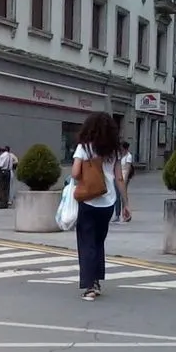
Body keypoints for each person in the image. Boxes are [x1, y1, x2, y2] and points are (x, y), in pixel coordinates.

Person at [70, 112, 131, 301]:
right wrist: (126, 204)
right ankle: (96, 280)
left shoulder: (84, 147)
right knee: (98, 242)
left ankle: (89, 286)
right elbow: (119, 178)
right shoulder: (113, 151)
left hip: (88, 200)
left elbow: (74, 173)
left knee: (86, 242)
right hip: (108, 202)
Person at [113, 142, 133, 222]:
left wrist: (125, 180)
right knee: (117, 196)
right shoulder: (120, 155)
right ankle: (117, 214)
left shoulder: (129, 156)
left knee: (123, 196)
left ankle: (125, 214)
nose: (121, 149)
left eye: (122, 148)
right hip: (117, 177)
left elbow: (128, 169)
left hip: (124, 177)